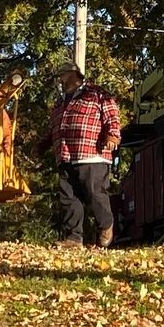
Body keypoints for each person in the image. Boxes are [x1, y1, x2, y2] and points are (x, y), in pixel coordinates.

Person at [50, 59, 121, 247]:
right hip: (66, 156)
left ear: (73, 75)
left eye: (62, 76)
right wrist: (43, 144)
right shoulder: (59, 102)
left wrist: (112, 136)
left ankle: (106, 225)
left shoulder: (96, 93)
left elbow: (112, 115)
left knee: (94, 193)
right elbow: (55, 127)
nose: (60, 81)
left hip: (92, 153)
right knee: (69, 198)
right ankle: (74, 238)